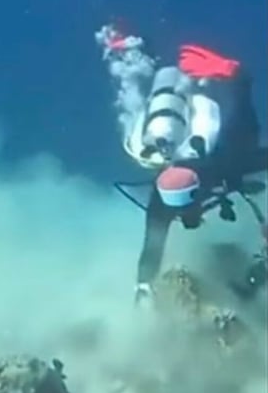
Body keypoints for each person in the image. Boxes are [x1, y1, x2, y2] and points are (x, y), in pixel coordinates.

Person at [104, 34, 268, 303]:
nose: (184, 214)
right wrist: (143, 287)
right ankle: (131, 47)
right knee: (244, 147)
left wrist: (239, 79)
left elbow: (151, 249)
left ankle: (233, 74)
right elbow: (152, 250)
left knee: (243, 143)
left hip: (220, 158)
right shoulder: (163, 205)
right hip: (205, 155)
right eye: (179, 208)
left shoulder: (214, 170)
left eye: (186, 207)